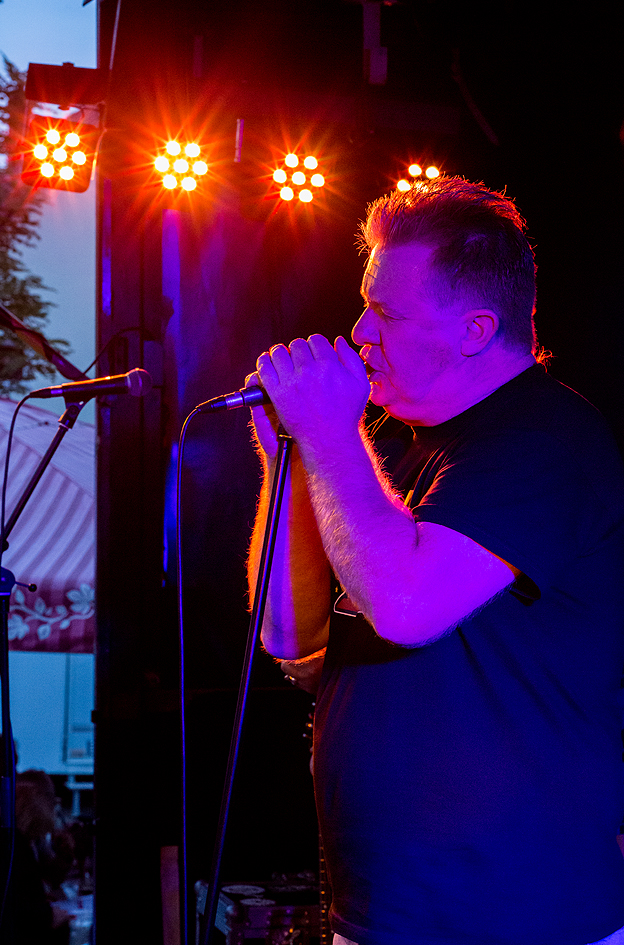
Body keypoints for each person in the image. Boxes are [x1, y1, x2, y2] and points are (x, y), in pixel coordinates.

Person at [246, 177, 624, 945]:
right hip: (385, 912)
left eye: (386, 313)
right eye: (364, 304)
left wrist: (330, 436)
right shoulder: (388, 454)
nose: (359, 331)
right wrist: (290, 455)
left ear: (475, 329)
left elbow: (405, 606)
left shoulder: (542, 443)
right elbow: (289, 632)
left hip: (520, 916)